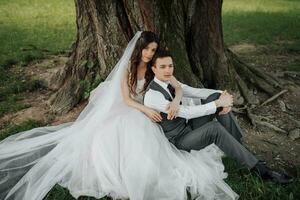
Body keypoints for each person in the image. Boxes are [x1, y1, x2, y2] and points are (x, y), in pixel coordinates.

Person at [0, 31, 239, 200]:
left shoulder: (158, 66)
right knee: (131, 133)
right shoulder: (128, 69)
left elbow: (178, 87)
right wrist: (145, 109)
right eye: (146, 49)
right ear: (139, 48)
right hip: (131, 109)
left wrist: (176, 99)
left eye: (153, 50)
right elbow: (126, 100)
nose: (149, 53)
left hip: (153, 107)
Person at [144, 49, 293, 185]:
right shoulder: (153, 95)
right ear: (153, 69)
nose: (168, 70)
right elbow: (186, 112)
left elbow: (196, 92)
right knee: (214, 128)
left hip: (188, 128)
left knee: (213, 96)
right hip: (179, 141)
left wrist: (223, 96)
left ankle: (241, 150)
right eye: (162, 67)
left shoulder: (170, 81)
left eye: (170, 66)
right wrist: (218, 103)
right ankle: (261, 171)